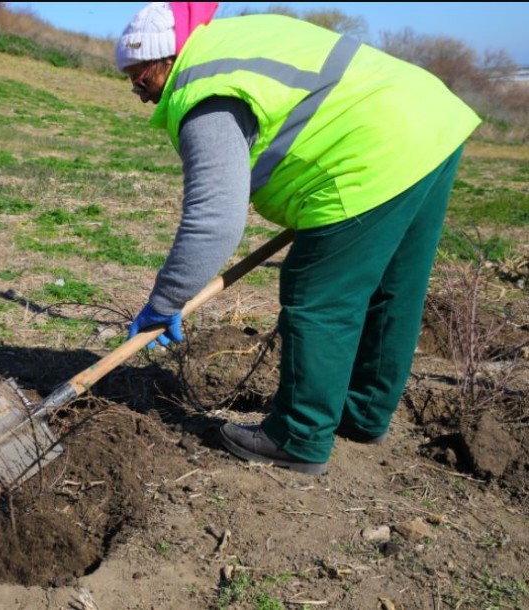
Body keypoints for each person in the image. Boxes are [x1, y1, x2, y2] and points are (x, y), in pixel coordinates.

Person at [117, 3, 481, 474]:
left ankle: (298, 435)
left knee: (318, 292)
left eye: (140, 78)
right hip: (429, 122)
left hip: (371, 152)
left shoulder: (205, 93)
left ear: (167, 59)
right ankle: (364, 413)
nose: (138, 93)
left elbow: (215, 220)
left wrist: (166, 300)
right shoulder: (233, 43)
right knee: (394, 286)